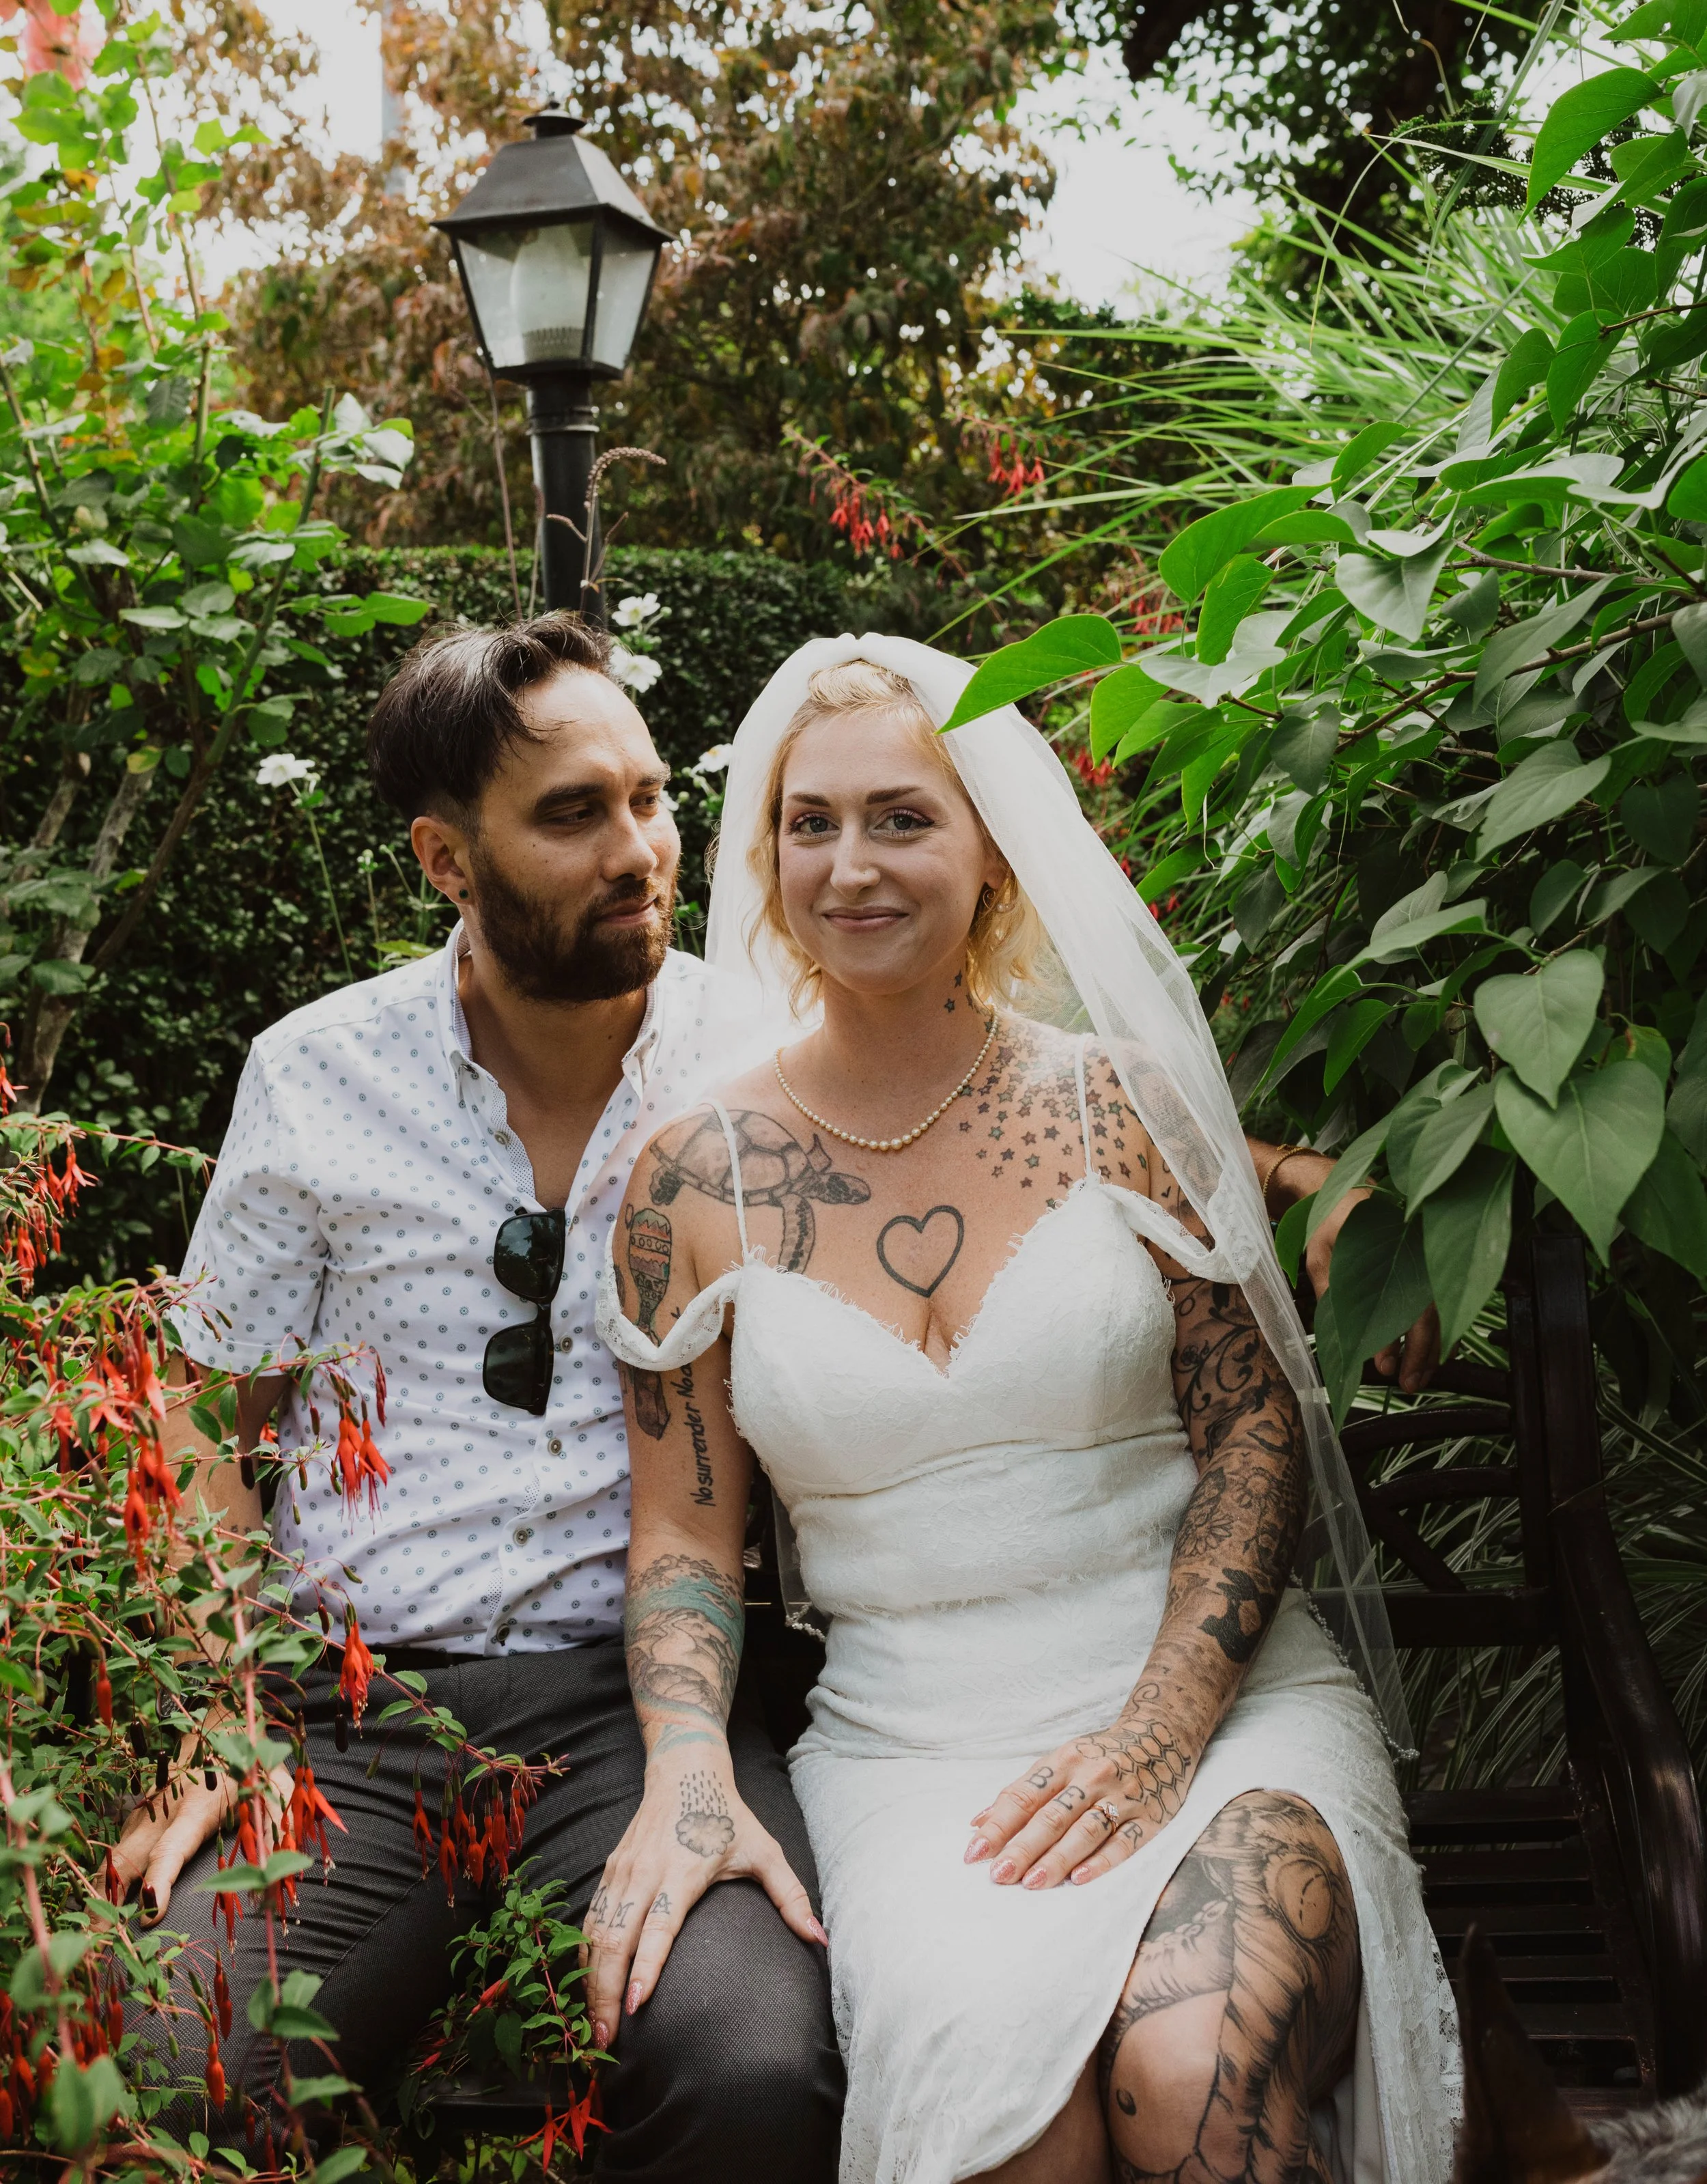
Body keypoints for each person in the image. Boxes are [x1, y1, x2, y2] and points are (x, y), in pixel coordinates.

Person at [589, 641, 1460, 2184]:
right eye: (809, 824)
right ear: (765, 850)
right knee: (1011, 2142)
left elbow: (1255, 1434)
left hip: (1213, 1698)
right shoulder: (687, 1181)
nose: (848, 866)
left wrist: (1151, 1737)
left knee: (1191, 2079)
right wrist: (684, 1767)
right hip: (912, 1750)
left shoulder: (1117, 1106)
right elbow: (679, 1526)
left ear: (989, 846)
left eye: (901, 819)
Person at [116, 614, 843, 2180]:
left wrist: (1271, 1172)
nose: (640, 848)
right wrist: (216, 1719)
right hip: (349, 1722)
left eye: (649, 797)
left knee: (753, 2067)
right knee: (172, 2072)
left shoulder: (768, 1059)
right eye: (573, 815)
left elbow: (1003, 1117)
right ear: (448, 862)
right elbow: (209, 1429)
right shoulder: (315, 1077)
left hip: (646, 1711)